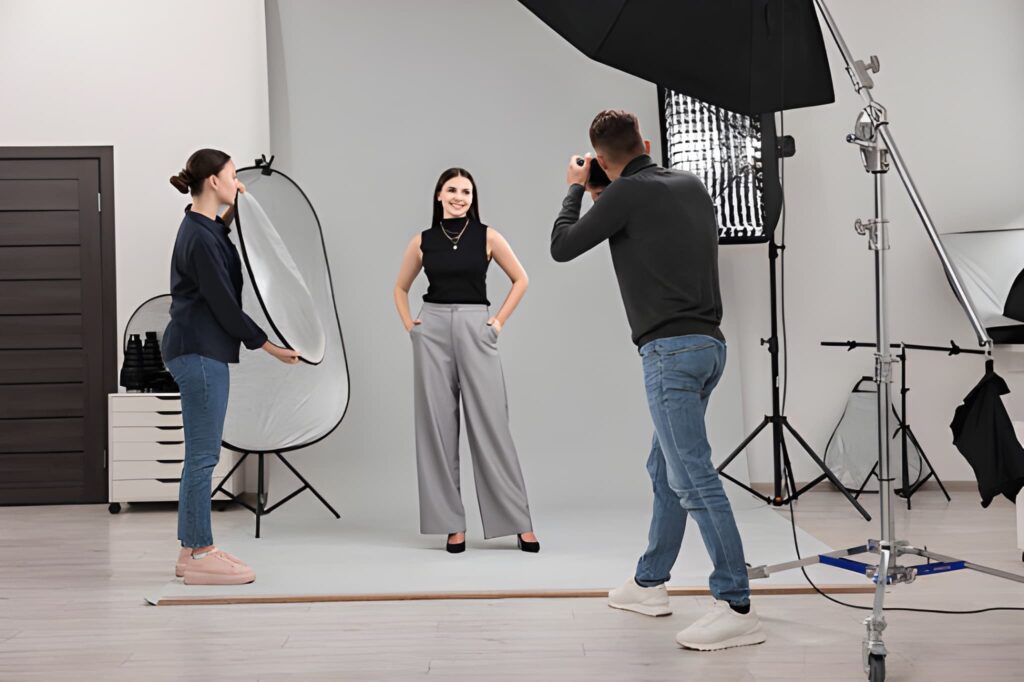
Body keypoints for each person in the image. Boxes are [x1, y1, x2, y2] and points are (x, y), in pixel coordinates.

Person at [549, 111, 765, 650]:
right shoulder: (688, 185)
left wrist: (576, 189)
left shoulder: (621, 195)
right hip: (710, 347)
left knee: (692, 476)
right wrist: (606, 185)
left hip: (668, 354)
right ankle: (650, 583)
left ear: (599, 160)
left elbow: (563, 245)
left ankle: (736, 604)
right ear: (645, 143)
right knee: (665, 465)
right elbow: (640, 224)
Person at [163, 148, 300, 585]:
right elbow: (223, 303)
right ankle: (200, 553)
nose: (237, 182)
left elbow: (216, 239)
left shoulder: (200, 226)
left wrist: (236, 211)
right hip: (199, 352)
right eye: (232, 176)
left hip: (197, 348)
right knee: (204, 457)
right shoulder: (200, 238)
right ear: (214, 182)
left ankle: (192, 551)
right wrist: (270, 346)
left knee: (200, 456)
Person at [393, 167, 540, 554]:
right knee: (437, 428)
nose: (460, 197)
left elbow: (521, 278)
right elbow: (400, 287)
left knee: (492, 425)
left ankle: (518, 522)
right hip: (433, 329)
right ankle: (452, 525)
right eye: (453, 190)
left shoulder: (488, 236)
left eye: (467, 192)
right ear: (439, 195)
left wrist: (497, 323)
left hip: (477, 327)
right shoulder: (422, 241)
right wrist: (412, 325)